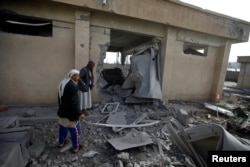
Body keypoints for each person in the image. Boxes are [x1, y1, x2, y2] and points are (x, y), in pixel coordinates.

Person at [57, 69, 86, 154]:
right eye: (77, 75)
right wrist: (80, 113)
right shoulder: (73, 87)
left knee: (62, 127)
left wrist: (61, 107)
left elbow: (59, 98)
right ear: (72, 76)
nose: (78, 77)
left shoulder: (63, 83)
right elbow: (74, 103)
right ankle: (76, 148)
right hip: (70, 114)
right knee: (75, 130)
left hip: (62, 112)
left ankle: (61, 143)